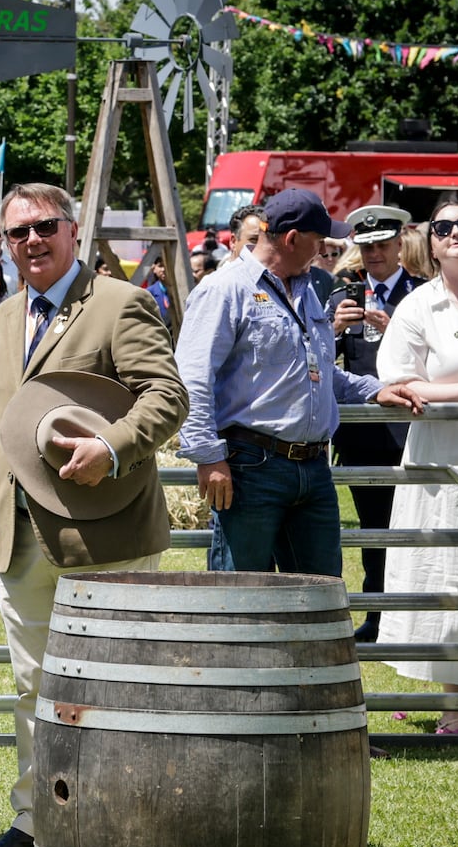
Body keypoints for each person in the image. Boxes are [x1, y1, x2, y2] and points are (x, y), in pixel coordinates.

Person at [0, 182, 188, 847]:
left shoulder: (119, 304)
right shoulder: (3, 316)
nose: (32, 241)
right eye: (17, 233)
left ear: (74, 232)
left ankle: (120, 814)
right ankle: (37, 818)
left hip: (106, 531)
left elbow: (168, 395)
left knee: (114, 684)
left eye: (45, 227)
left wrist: (115, 448)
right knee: (32, 682)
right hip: (19, 538)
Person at [176, 188, 422, 577]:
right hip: (250, 466)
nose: (324, 249)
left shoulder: (307, 289)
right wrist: (209, 457)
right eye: (318, 241)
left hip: (311, 467)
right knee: (243, 595)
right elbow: (192, 377)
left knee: (321, 593)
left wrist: (373, 389)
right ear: (291, 239)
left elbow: (318, 369)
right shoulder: (224, 289)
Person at [377, 200, 458, 735]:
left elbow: (421, 385)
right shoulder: (418, 307)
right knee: (454, 580)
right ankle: (455, 709)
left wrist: (445, 390)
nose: (456, 232)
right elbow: (396, 382)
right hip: (445, 462)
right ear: (430, 243)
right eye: (444, 227)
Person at [328, 204, 426, 641]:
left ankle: (419, 616)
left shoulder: (423, 295)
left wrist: (396, 331)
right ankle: (377, 612)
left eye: (382, 246)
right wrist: (330, 330)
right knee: (372, 527)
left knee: (421, 525)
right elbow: (316, 365)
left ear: (400, 244)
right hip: (363, 432)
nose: (374, 256)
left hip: (414, 426)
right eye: (366, 248)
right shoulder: (340, 295)